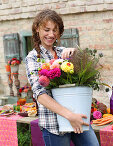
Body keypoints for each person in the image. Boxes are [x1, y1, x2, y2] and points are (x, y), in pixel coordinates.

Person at [25, 9, 99, 146]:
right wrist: (69, 116)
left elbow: (85, 74)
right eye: (46, 29)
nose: (51, 34)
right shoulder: (33, 58)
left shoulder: (63, 52)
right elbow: (40, 94)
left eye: (55, 30)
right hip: (55, 125)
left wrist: (76, 53)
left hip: (79, 117)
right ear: (37, 29)